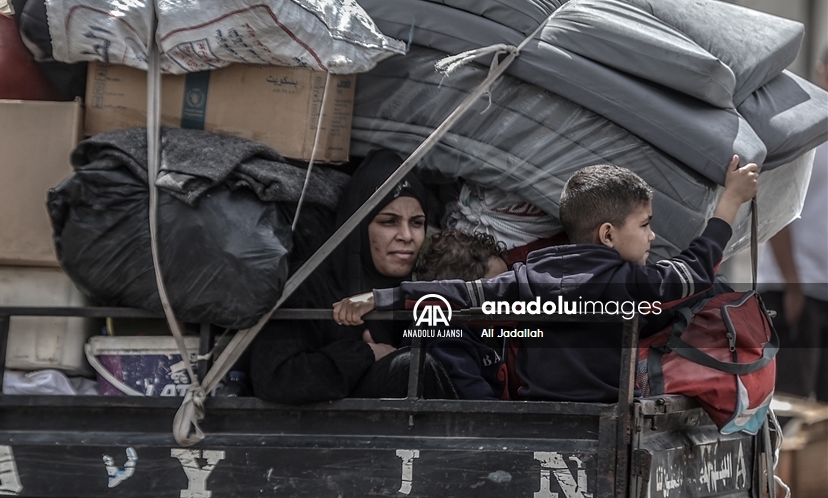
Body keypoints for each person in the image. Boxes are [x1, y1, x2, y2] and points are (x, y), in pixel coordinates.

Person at [334, 157, 759, 403]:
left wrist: (382, 297)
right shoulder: (633, 284)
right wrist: (730, 202)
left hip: (535, 419)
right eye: (646, 225)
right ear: (608, 235)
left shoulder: (529, 276)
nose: (651, 236)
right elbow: (697, 266)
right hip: (606, 418)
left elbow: (460, 296)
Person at [250, 150, 457, 404]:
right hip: (326, 434)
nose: (407, 236)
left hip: (399, 436)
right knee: (410, 367)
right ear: (358, 227)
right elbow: (275, 376)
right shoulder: (310, 285)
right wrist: (366, 354)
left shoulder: (415, 294)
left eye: (416, 223)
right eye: (389, 222)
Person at [758, 47, 828, 402]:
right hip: (794, 290)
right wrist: (793, 285)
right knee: (788, 401)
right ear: (822, 71)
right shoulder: (806, 129)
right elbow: (779, 211)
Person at [413, 229, 509, 399]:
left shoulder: (472, 331)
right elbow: (476, 400)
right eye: (496, 290)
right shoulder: (445, 337)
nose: (505, 298)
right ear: (461, 293)